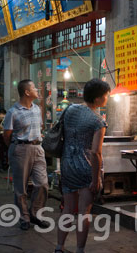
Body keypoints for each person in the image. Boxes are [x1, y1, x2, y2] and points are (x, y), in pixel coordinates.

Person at [55, 78, 110, 253]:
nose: (107, 98)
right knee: (84, 212)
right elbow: (95, 153)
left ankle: (59, 247)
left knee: (68, 209)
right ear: (97, 99)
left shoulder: (70, 110)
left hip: (67, 164)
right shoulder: (98, 121)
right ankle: (79, 250)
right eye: (106, 95)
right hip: (86, 167)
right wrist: (96, 179)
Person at [3, 79, 49, 231]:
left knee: (42, 184)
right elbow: (7, 135)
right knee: (21, 187)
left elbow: (39, 127)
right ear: (27, 92)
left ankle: (34, 213)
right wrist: (15, 148)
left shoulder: (37, 109)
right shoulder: (13, 112)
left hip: (38, 148)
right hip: (21, 149)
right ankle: (24, 218)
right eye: (34, 87)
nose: (37, 89)